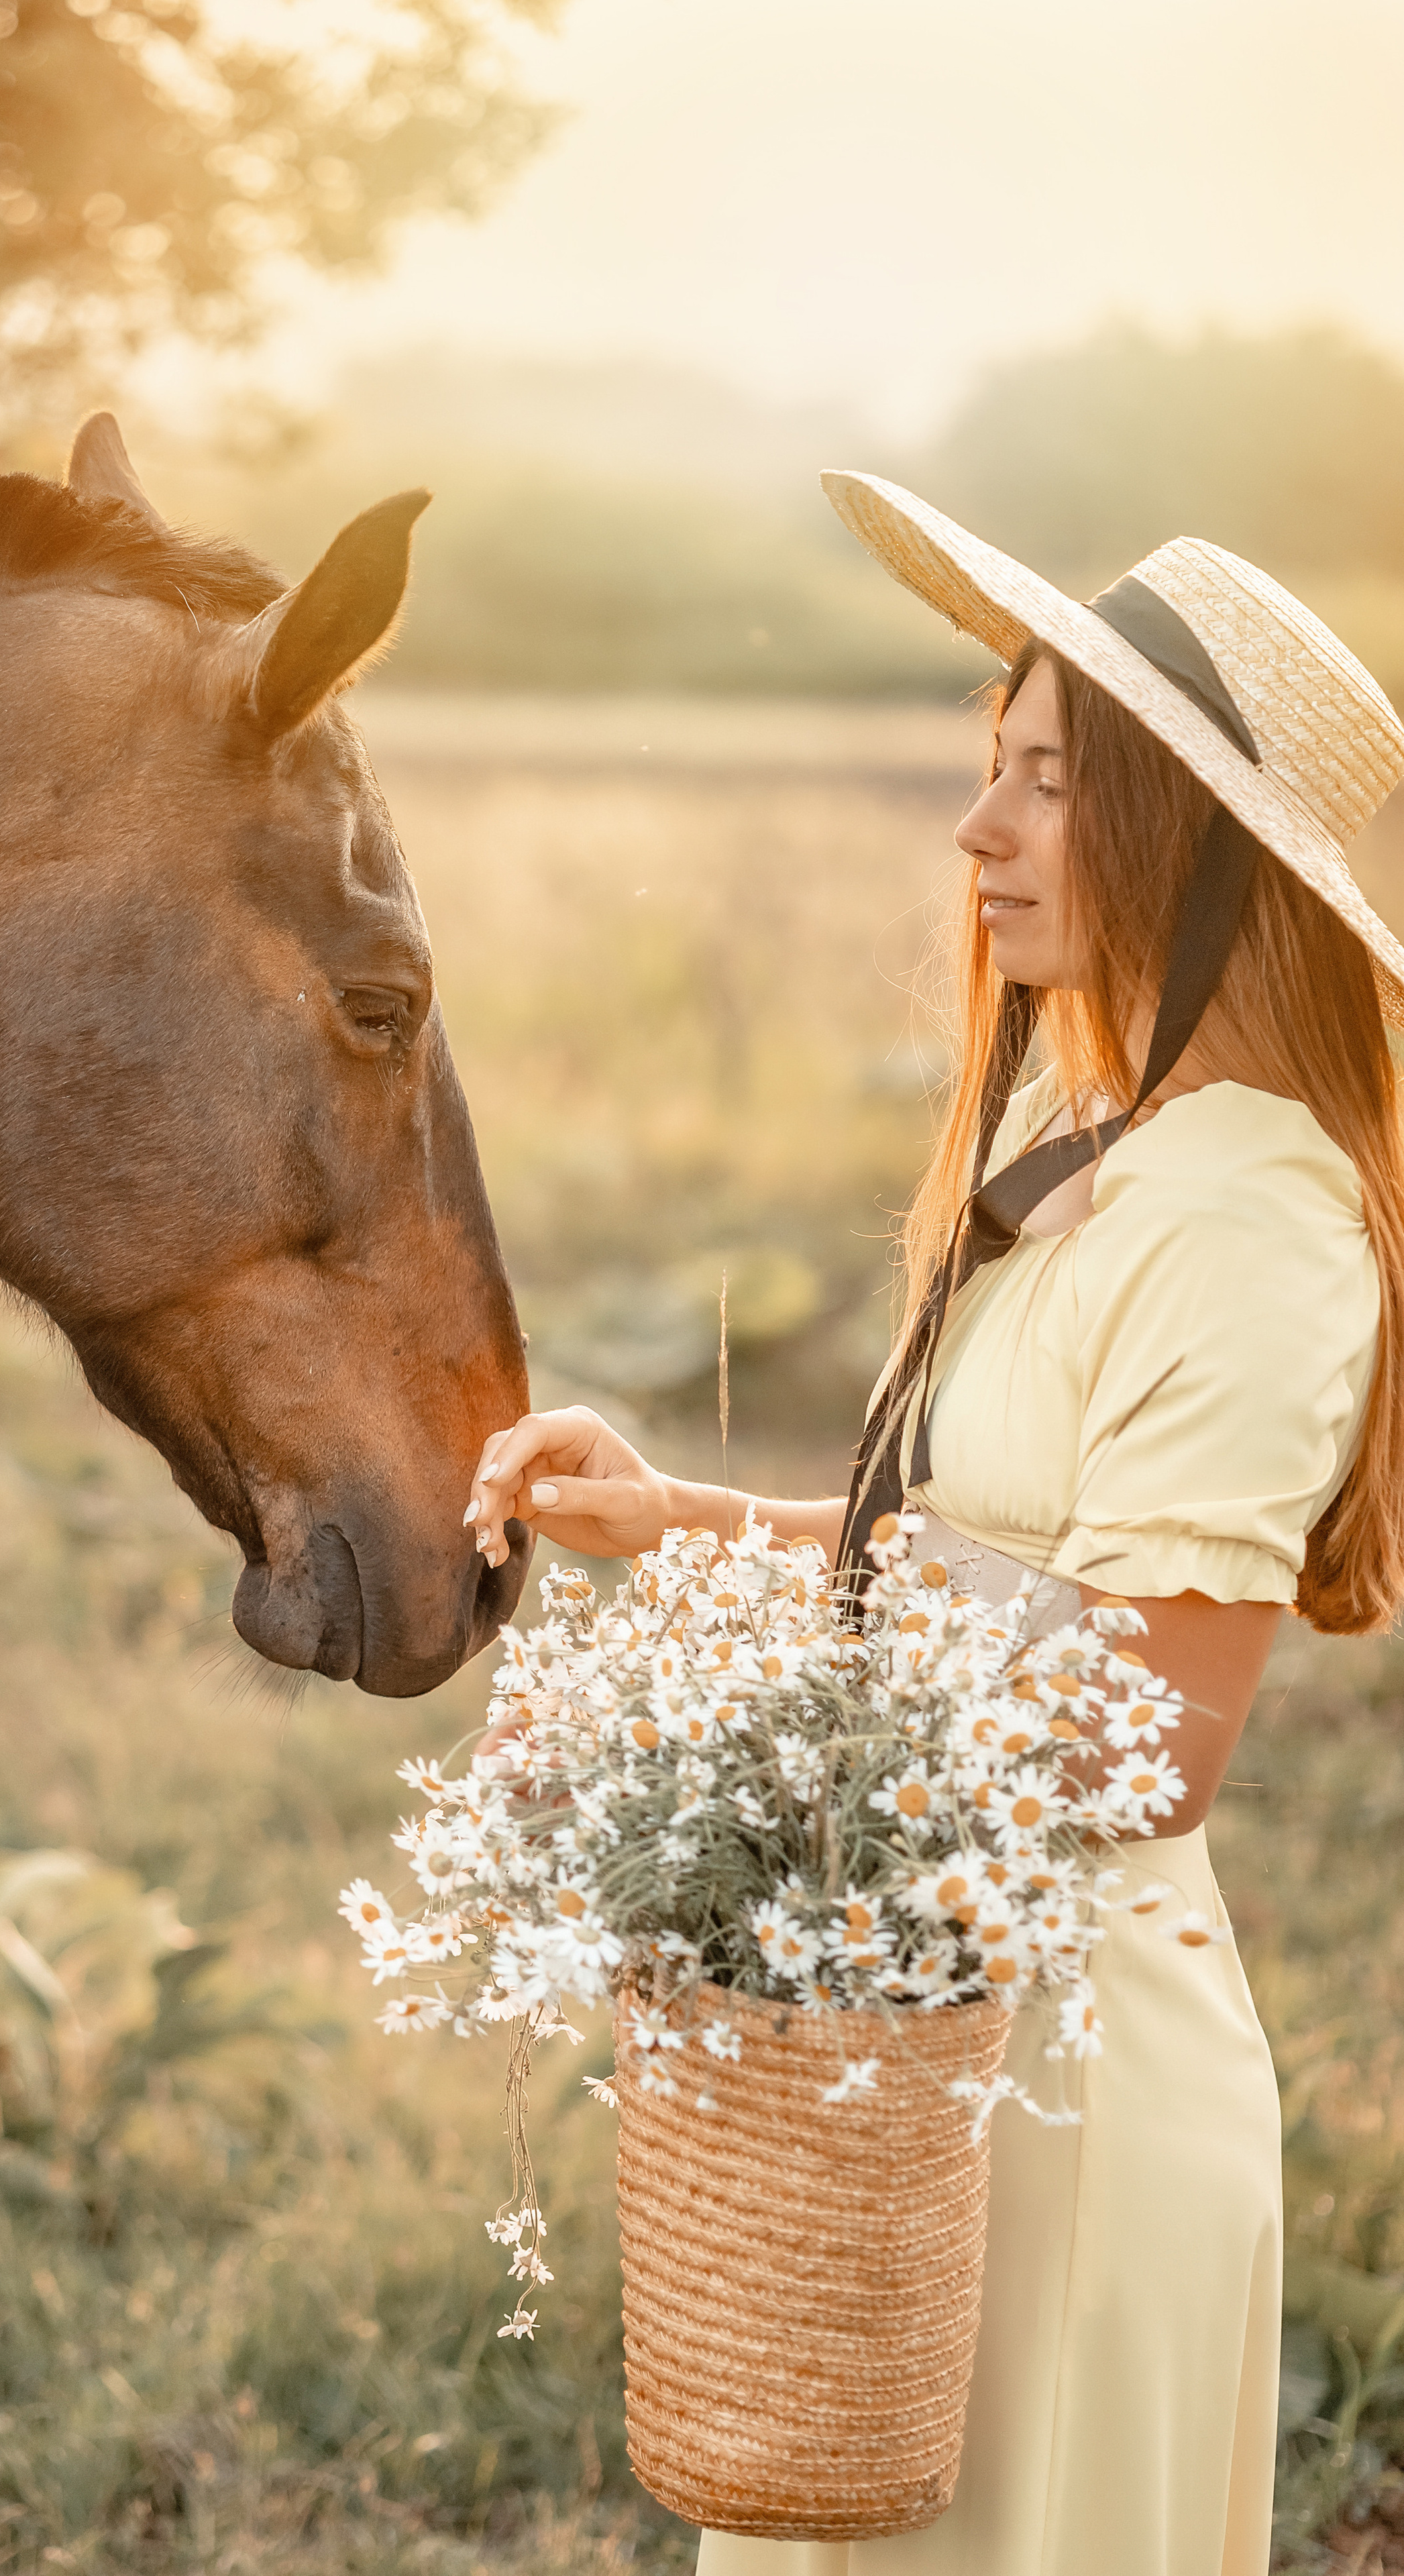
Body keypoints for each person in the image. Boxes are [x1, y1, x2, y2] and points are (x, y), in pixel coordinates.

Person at [462, 474, 1404, 2576]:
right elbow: (992, 1564)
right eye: (994, 773)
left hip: (1059, 2107)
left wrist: (700, 1769)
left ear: (1202, 841)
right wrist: (691, 1520)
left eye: (1049, 784)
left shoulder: (1248, 1215)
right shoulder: (1110, 1155)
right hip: (923, 2052)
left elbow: (1144, 1734)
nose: (979, 832)